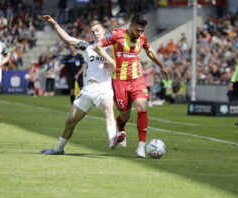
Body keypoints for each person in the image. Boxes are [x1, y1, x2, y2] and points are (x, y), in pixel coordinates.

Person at [41, 15, 125, 155]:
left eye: (98, 30)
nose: (95, 33)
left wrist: (110, 64)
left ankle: (112, 138)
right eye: (93, 32)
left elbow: (118, 68)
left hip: (104, 88)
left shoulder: (112, 48)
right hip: (88, 89)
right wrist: (55, 24)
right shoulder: (88, 46)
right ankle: (59, 149)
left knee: (109, 111)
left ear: (104, 31)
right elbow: (68, 39)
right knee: (70, 122)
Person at [94, 14, 169, 158]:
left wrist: (161, 65)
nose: (140, 33)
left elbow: (150, 51)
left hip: (137, 79)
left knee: (142, 106)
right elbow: (98, 46)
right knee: (124, 114)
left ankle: (141, 145)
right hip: (119, 81)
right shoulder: (117, 35)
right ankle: (121, 129)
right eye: (138, 30)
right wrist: (109, 59)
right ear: (132, 25)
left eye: (142, 31)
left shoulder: (142, 38)